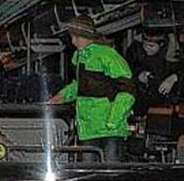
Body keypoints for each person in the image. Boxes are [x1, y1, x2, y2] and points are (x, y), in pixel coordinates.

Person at [49, 15, 135, 162]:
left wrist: (113, 119)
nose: (73, 42)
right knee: (97, 169)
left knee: (105, 169)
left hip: (108, 129)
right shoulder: (79, 56)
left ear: (86, 36)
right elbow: (81, 85)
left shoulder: (107, 56)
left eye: (76, 37)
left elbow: (127, 89)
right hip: (91, 128)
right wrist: (61, 96)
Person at [126, 30, 184, 111]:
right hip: (142, 99)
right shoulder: (136, 49)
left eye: (151, 46)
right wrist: (139, 75)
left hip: (168, 101)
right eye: (144, 44)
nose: (146, 48)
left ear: (161, 44)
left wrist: (175, 77)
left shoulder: (176, 50)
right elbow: (126, 69)